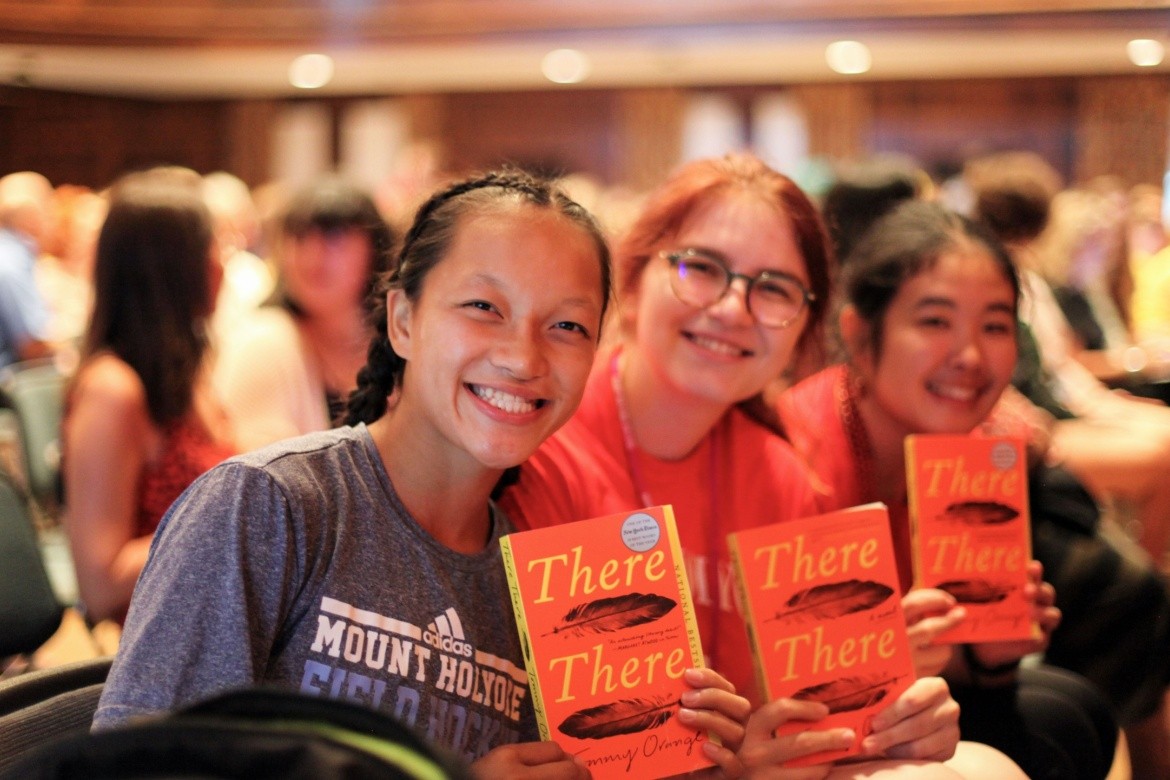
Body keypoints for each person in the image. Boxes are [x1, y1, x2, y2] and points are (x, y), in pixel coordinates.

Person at [94, 170, 750, 777]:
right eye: (483, 308)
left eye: (567, 325)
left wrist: (710, 759)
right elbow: (136, 770)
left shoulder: (548, 590)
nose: (523, 356)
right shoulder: (270, 510)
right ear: (402, 319)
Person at [500, 154, 1022, 778]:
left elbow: (822, 722)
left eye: (773, 288)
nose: (732, 309)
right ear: (632, 282)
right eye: (700, 268)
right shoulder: (538, 446)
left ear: (806, 325)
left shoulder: (785, 477)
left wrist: (898, 720)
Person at [776, 201, 1120, 780]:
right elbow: (800, 697)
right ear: (859, 332)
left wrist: (988, 656)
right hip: (817, 741)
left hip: (914, 715)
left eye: (994, 326)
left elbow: (952, 681)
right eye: (934, 322)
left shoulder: (980, 453)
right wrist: (884, 659)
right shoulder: (797, 456)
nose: (969, 357)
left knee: (1075, 706)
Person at [61, 168, 236, 626]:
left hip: (205, 619)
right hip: (157, 645)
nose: (222, 266)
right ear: (171, 269)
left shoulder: (183, 372)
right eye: (211, 250)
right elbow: (101, 585)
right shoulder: (112, 390)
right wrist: (229, 511)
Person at [214, 178, 395, 451]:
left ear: (374, 249)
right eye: (299, 238)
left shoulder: (399, 339)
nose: (312, 258)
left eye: (333, 238)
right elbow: (260, 480)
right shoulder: (263, 342)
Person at [0, 171, 55, 370]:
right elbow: (32, 346)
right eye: (49, 213)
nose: (53, 222)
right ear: (30, 219)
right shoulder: (11, 262)